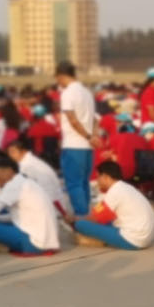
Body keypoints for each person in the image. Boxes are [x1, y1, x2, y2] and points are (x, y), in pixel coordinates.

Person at [0, 158, 60, 254]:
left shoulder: (13, 184)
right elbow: (15, 217)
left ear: (10, 171)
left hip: (33, 244)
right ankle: (1, 243)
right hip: (47, 243)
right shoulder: (26, 182)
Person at [73, 163, 154, 250]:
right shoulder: (126, 187)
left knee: (80, 224)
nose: (97, 181)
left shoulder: (115, 191)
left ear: (105, 177)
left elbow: (95, 217)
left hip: (133, 240)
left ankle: (99, 239)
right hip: (146, 237)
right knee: (104, 222)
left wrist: (75, 219)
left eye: (98, 177)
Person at [55, 62, 97, 216]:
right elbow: (94, 119)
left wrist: (88, 136)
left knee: (74, 184)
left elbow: (72, 120)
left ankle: (81, 215)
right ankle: (87, 214)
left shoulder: (68, 93)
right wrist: (92, 136)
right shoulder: (87, 92)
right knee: (84, 183)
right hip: (87, 146)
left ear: (61, 76)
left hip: (74, 144)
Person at [3, 139, 69, 219]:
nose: (10, 155)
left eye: (13, 152)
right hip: (48, 203)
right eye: (9, 152)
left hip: (50, 207)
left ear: (23, 152)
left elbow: (50, 192)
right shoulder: (28, 163)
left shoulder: (30, 166)